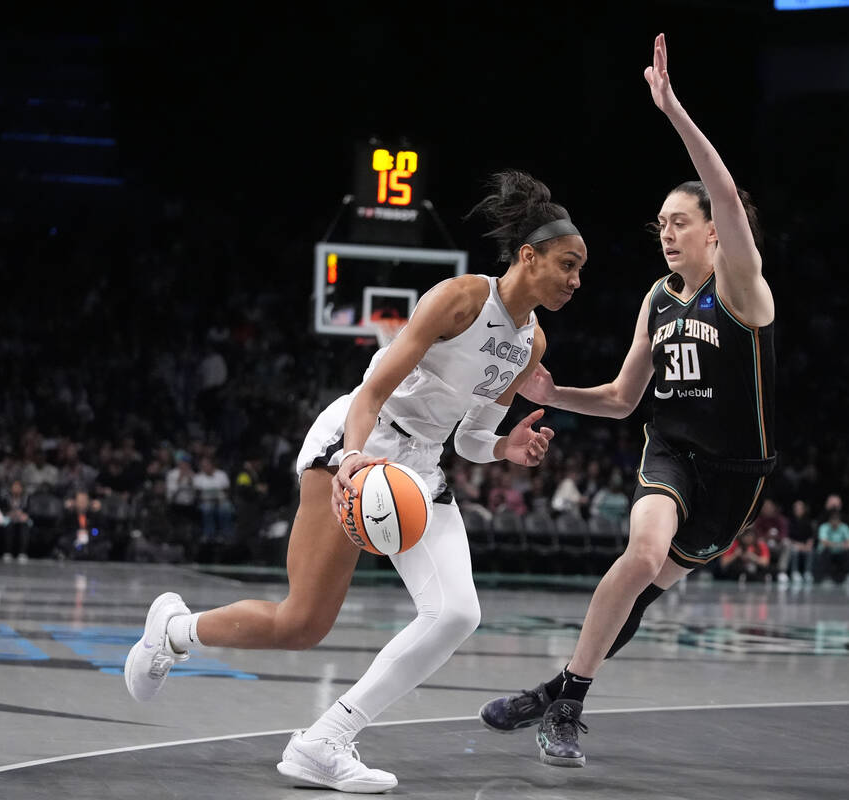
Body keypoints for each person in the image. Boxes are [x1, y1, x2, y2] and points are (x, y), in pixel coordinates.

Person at [123, 169, 584, 792]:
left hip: (421, 466)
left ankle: (324, 741)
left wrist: (510, 445)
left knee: (455, 613)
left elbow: (471, 439)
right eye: (567, 264)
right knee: (302, 625)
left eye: (580, 269)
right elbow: (372, 389)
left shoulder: (531, 346)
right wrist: (352, 458)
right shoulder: (462, 299)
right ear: (528, 256)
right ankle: (174, 630)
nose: (576, 281)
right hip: (363, 440)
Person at [478, 33, 775, 768]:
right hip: (669, 452)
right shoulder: (656, 300)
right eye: (661, 224)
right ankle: (571, 706)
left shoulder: (742, 290)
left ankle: (554, 690)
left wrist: (671, 109)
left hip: (735, 476)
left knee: (639, 596)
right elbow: (619, 399)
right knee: (640, 557)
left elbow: (729, 192)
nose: (666, 233)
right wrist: (556, 393)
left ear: (715, 232)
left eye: (680, 222)